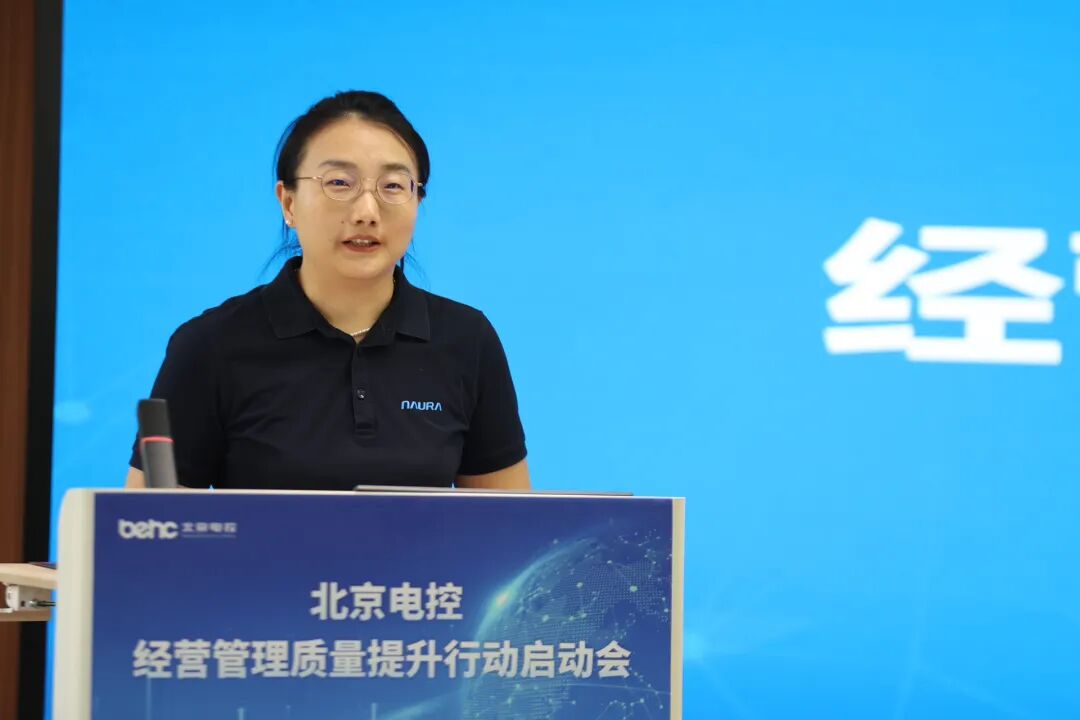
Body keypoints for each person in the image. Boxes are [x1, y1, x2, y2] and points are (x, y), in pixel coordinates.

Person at [125, 91, 529, 491]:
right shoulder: (210, 346)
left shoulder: (466, 340)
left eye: (392, 186)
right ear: (288, 202)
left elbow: (513, 524)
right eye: (339, 182)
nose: (366, 212)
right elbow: (150, 527)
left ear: (417, 200)